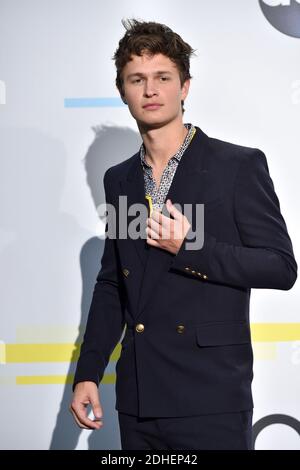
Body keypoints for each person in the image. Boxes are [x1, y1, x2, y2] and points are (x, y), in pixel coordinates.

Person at [69, 19, 297, 450]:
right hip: (138, 398)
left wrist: (190, 247)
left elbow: (280, 267)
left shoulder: (237, 166)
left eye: (162, 78)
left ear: (184, 87)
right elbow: (113, 284)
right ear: (123, 91)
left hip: (210, 396)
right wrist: (88, 373)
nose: (150, 90)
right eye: (137, 79)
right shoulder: (120, 181)